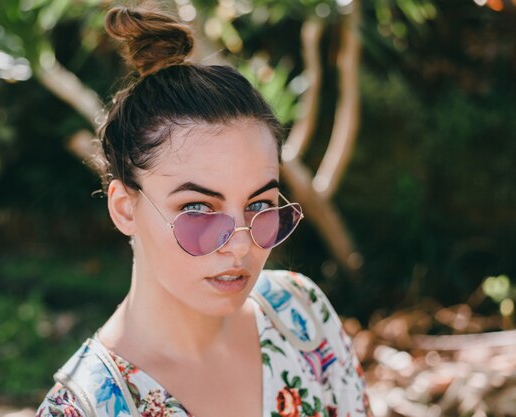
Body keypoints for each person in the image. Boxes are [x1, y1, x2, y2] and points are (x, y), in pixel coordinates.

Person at [36, 5, 372, 417]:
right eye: (198, 208)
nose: (241, 245)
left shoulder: (300, 315)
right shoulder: (87, 409)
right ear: (125, 208)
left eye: (260, 205)